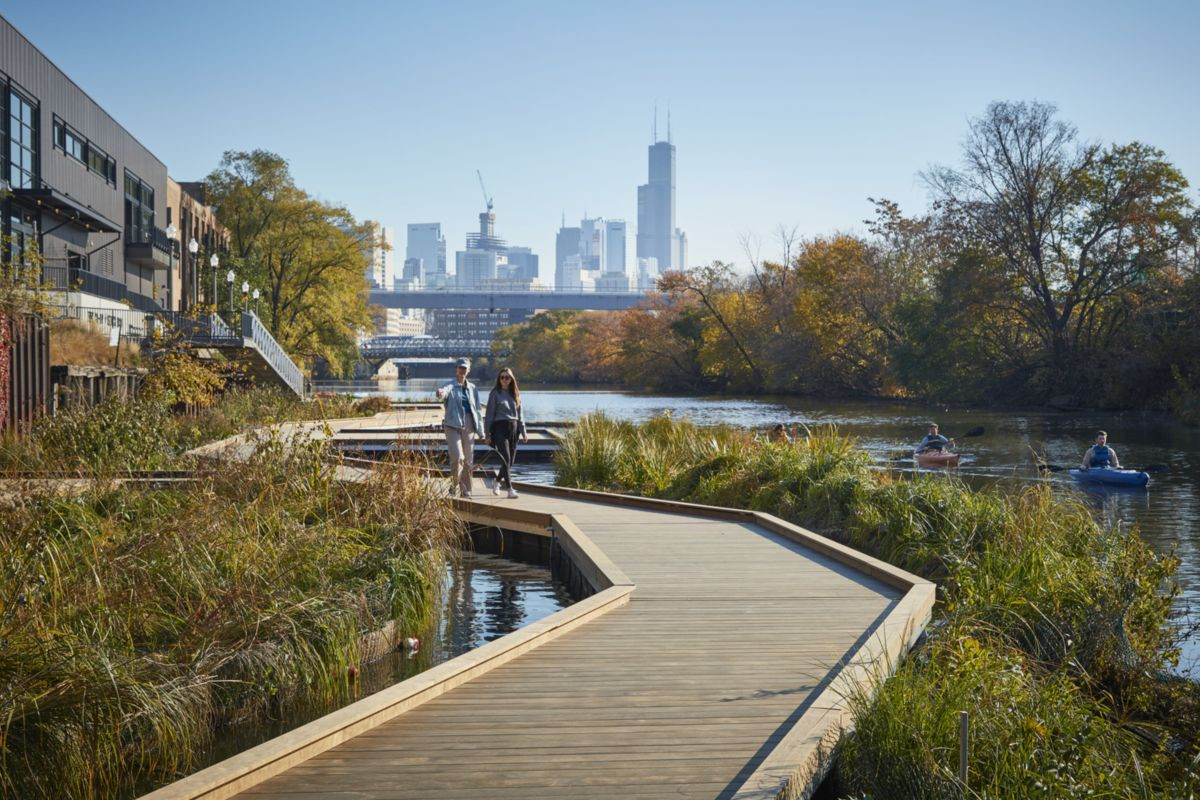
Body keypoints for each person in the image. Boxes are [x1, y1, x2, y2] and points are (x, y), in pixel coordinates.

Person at [435, 358, 483, 497]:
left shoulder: (473, 388)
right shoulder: (450, 385)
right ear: (456, 369)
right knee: (457, 457)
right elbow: (444, 392)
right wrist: (440, 393)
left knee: (468, 459)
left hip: (469, 423)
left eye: (464, 368)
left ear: (468, 370)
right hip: (452, 424)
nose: (462, 370)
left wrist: (481, 432)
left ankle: (466, 489)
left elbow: (478, 410)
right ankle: (454, 484)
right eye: (460, 368)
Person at [485, 367, 528, 498]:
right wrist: (487, 434)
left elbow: (520, 415)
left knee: (510, 462)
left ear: (511, 379)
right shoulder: (495, 394)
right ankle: (509, 489)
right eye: (502, 377)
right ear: (499, 379)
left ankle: (497, 481)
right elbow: (489, 415)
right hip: (499, 428)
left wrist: (524, 431)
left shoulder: (515, 394)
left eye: (507, 377)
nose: (504, 380)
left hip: (514, 428)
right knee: (506, 458)